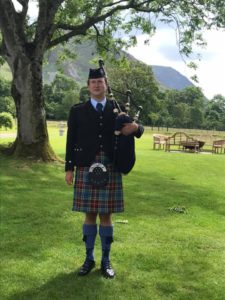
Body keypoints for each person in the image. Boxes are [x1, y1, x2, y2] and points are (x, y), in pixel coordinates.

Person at [65, 67, 144, 279]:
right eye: (93, 82)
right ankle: (88, 258)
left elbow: (136, 128)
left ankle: (105, 260)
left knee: (106, 216)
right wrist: (69, 168)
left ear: (105, 85)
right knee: (89, 214)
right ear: (88, 86)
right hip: (85, 165)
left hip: (110, 165)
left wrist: (136, 128)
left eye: (100, 81)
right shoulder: (77, 111)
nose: (97, 85)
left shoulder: (117, 109)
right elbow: (71, 139)